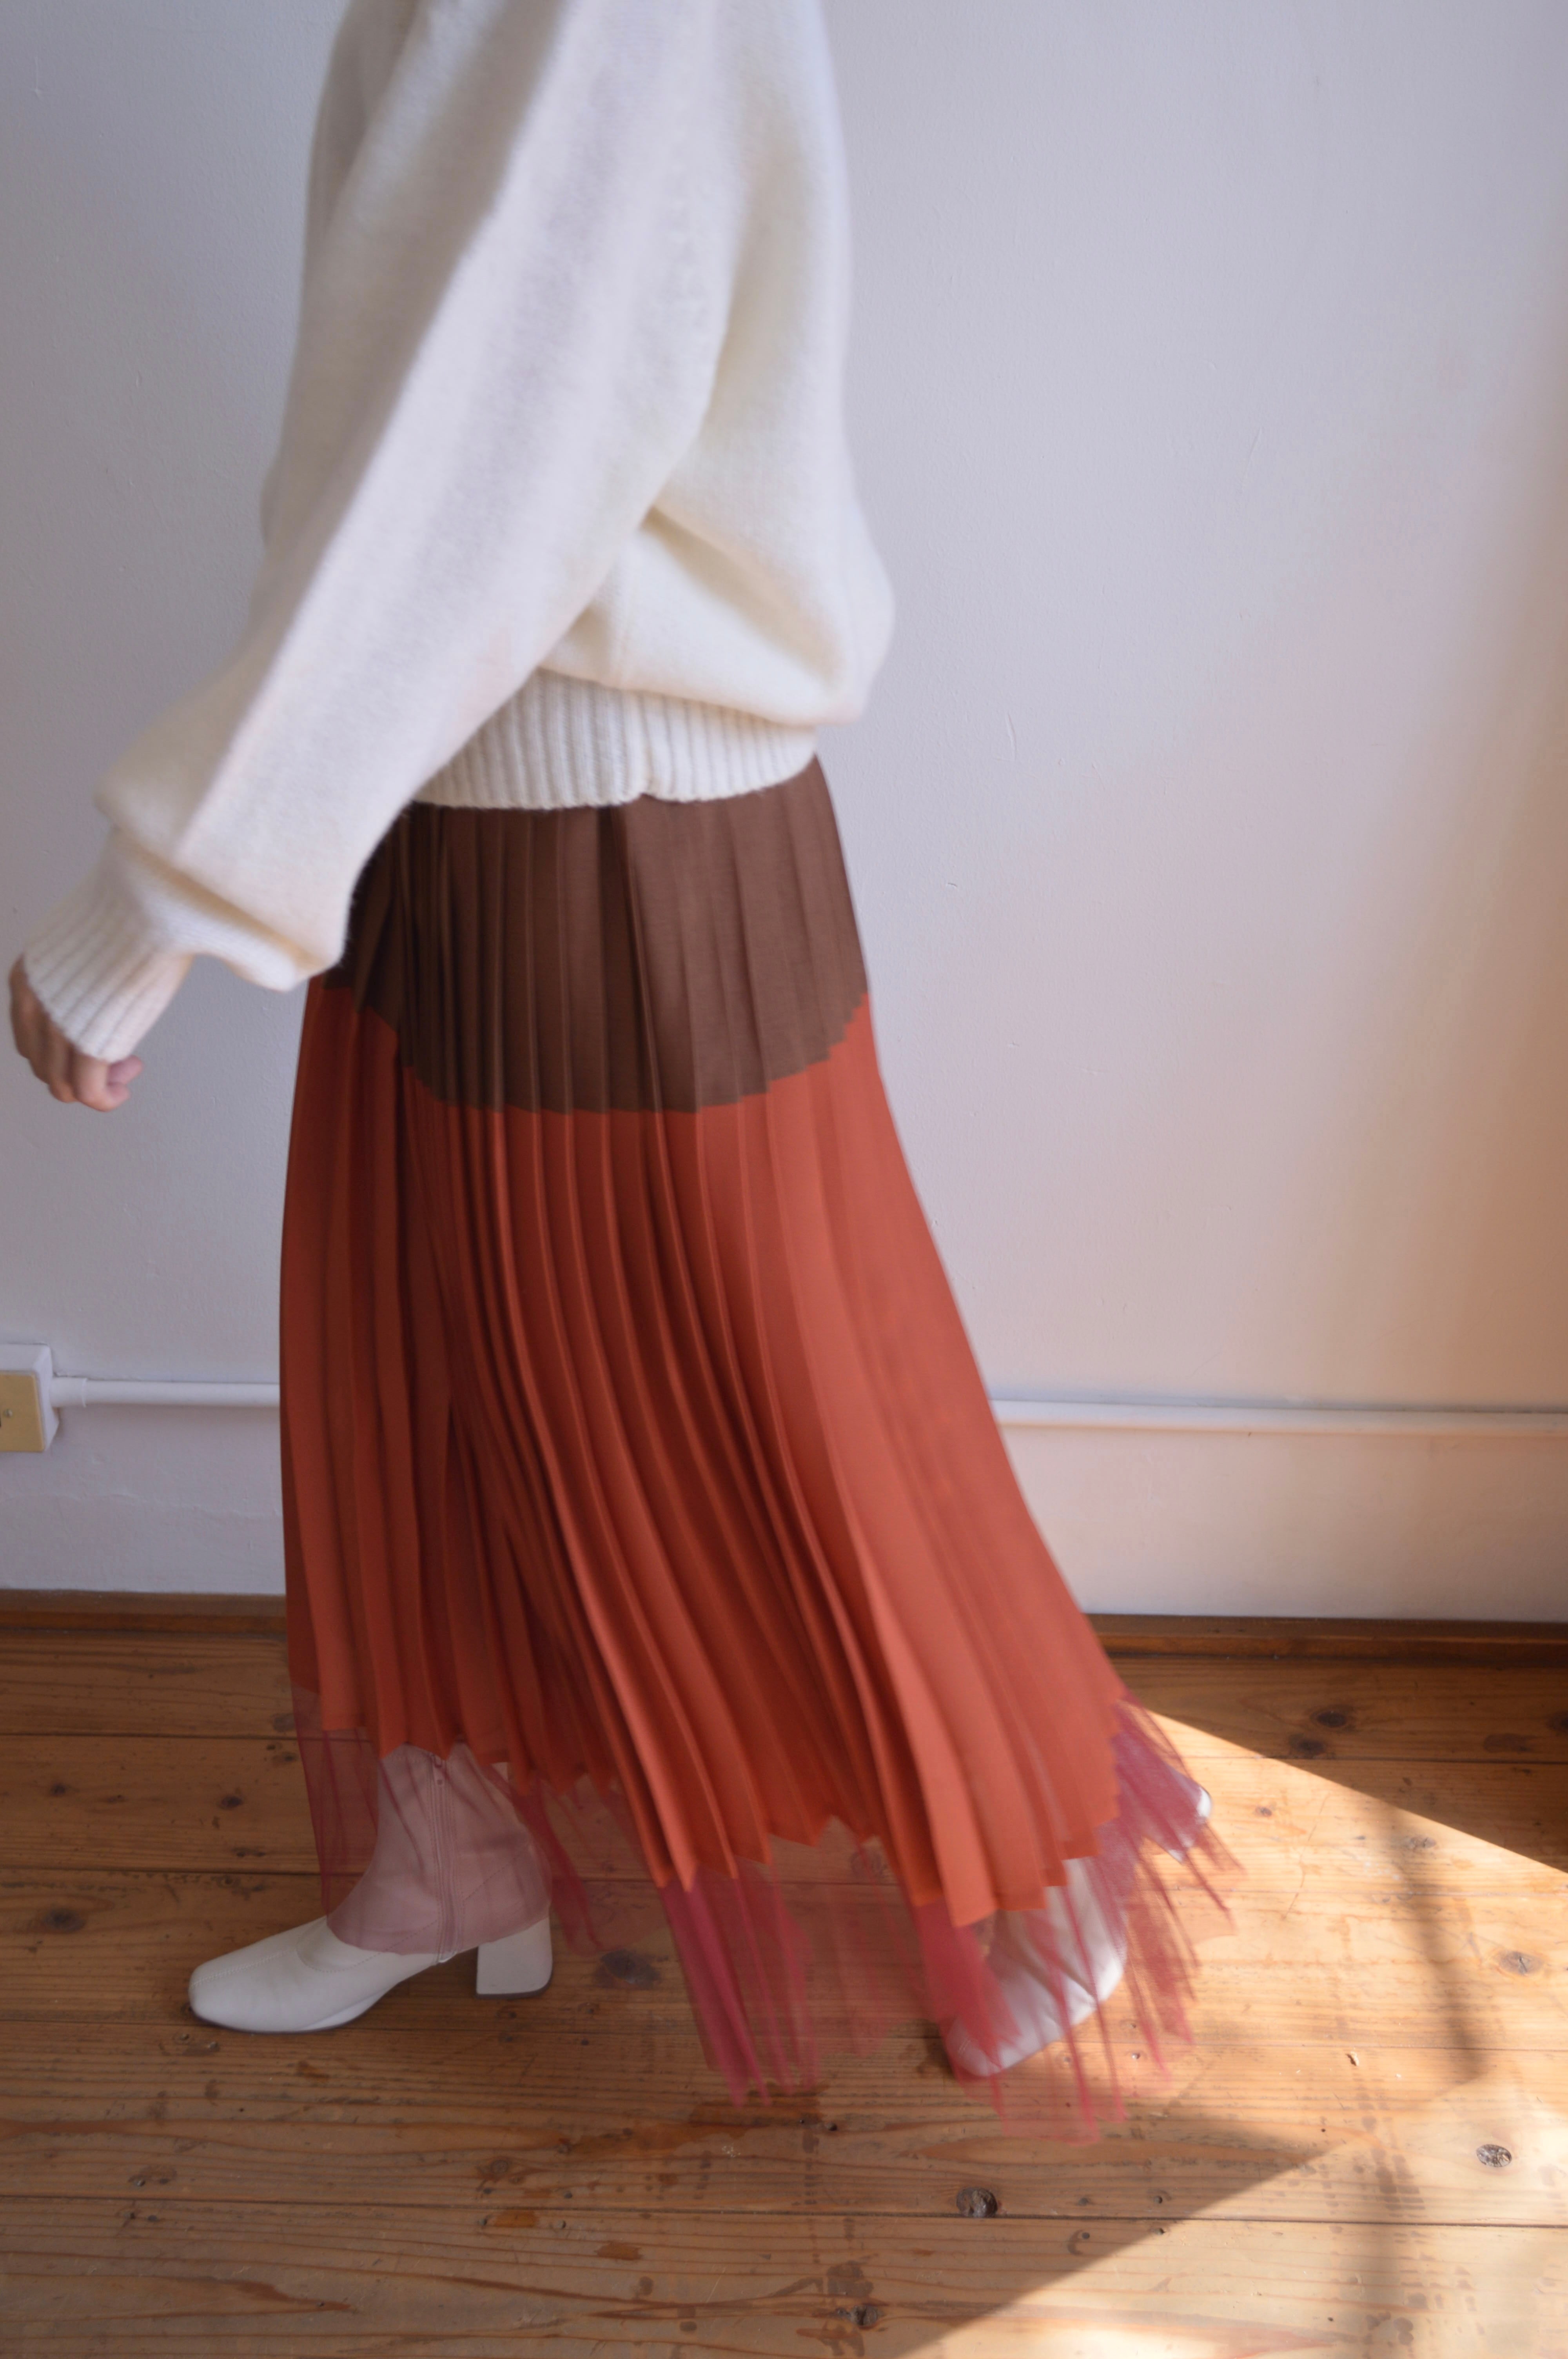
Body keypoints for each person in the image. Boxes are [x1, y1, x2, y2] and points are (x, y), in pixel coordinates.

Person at [11, 0, 1227, 2131]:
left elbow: (486, 443)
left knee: (788, 1396)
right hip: (451, 799)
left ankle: (1041, 1856)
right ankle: (450, 1852)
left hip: (620, 836)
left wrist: (161, 896)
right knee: (421, 1376)